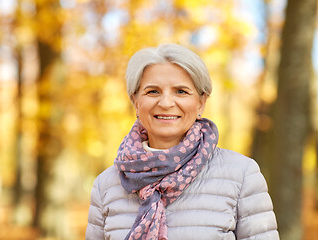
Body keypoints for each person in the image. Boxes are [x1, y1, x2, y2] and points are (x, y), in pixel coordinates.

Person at [85, 43, 279, 240]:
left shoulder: (241, 175)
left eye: (181, 91)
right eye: (153, 91)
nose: (166, 103)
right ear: (135, 102)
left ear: (201, 103)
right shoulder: (106, 186)